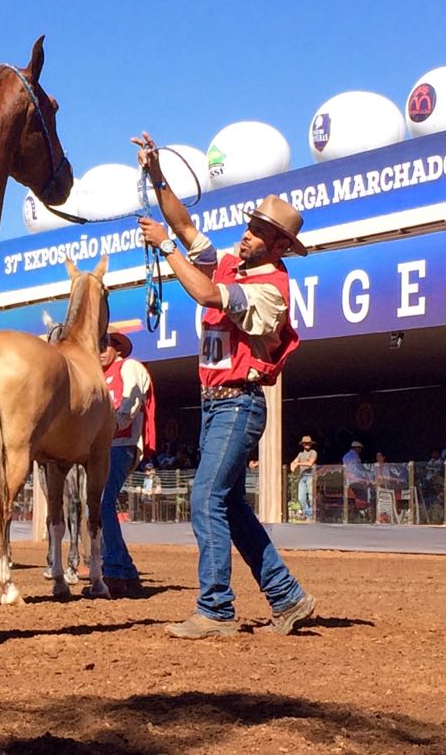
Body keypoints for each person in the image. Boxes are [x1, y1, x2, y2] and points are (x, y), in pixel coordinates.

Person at [134, 131, 315, 638]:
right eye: (251, 226)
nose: (248, 234)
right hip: (221, 405)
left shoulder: (269, 288)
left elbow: (207, 294)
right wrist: (155, 174)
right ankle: (288, 597)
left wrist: (166, 248)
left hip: (237, 404)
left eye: (260, 231)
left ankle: (215, 609)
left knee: (204, 498)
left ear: (279, 245)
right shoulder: (237, 261)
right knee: (229, 505)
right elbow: (185, 222)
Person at [95, 330, 154, 597]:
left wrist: (114, 424)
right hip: (103, 446)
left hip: (121, 444)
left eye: (108, 345)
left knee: (103, 503)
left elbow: (132, 402)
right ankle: (126, 574)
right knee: (98, 505)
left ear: (118, 349)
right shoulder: (97, 376)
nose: (102, 350)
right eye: (99, 346)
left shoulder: (130, 367)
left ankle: (116, 571)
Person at [290, 436, 318, 520]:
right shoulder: (300, 454)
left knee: (311, 496)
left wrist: (297, 464)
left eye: (308, 443)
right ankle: (307, 513)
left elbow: (310, 463)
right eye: (305, 443)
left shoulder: (313, 452)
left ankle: (311, 515)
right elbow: (293, 462)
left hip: (310, 475)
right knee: (301, 497)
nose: (307, 445)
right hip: (302, 476)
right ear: (302, 444)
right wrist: (293, 465)